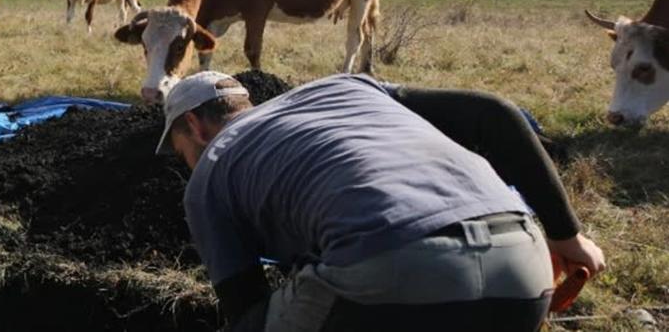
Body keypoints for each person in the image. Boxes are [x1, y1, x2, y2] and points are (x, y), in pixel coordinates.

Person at [157, 71, 606, 332]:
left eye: (181, 154)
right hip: (523, 268)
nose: (188, 166)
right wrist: (567, 235)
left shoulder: (209, 173)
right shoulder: (345, 87)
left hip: (396, 272)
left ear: (195, 126)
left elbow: (246, 311)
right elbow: (494, 114)